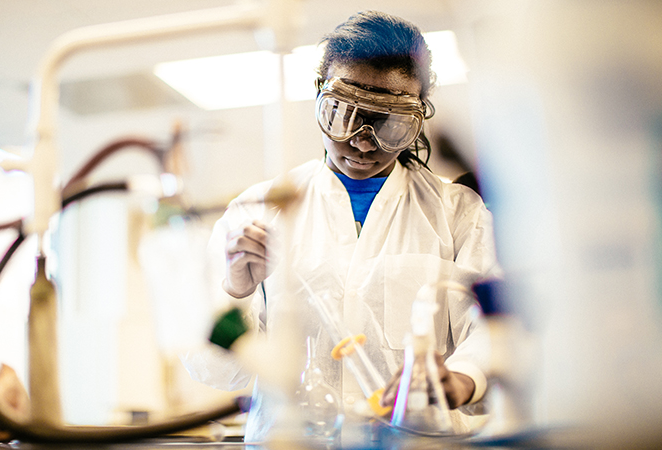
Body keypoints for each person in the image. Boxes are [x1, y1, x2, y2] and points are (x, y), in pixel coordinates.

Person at [181, 10, 499, 442]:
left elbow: (495, 330)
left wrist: (464, 378)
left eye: (390, 122)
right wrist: (235, 287)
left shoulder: (459, 213)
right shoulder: (256, 211)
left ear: (417, 119)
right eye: (344, 115)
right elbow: (215, 368)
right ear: (319, 97)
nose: (364, 141)